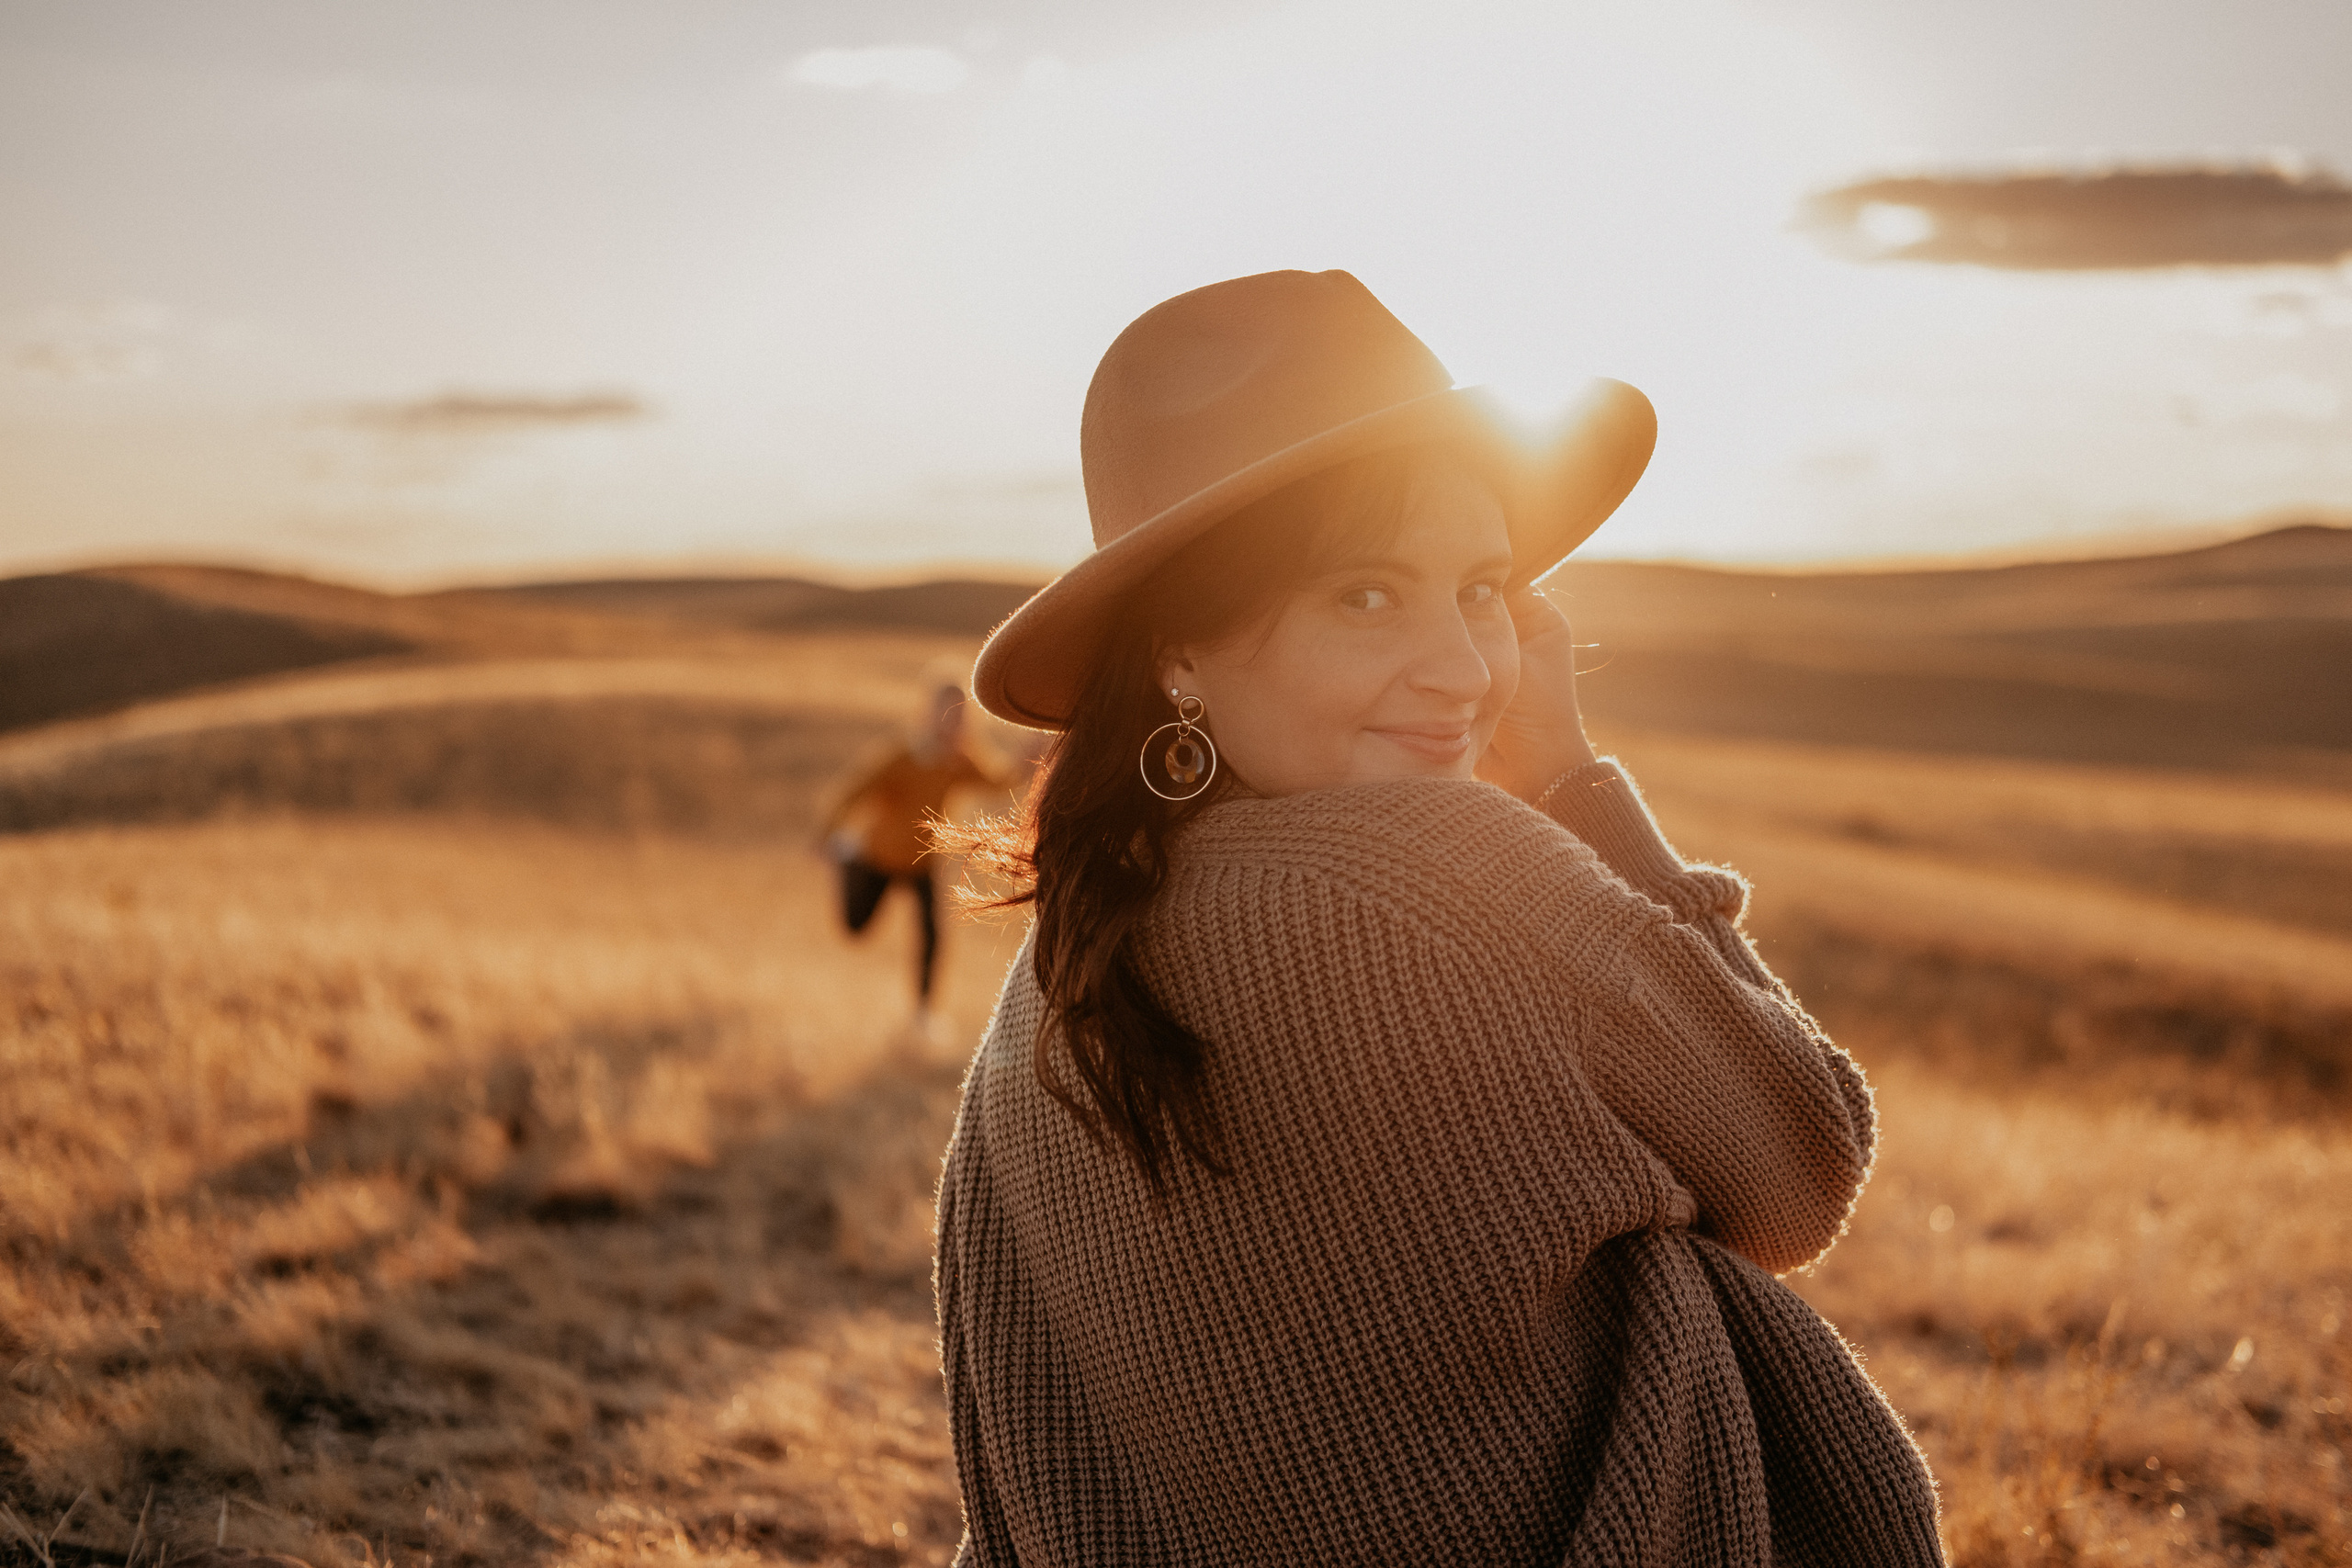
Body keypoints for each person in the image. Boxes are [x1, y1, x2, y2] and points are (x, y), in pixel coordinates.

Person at [934, 271, 1945, 1566]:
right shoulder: (1452, 869)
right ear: (1179, 647)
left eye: (1482, 589)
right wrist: (1572, 783)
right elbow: (1802, 1162)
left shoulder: (1061, 972)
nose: (1466, 671)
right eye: (1365, 595)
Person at [820, 675, 1008, 1021]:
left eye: (960, 715)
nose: (954, 722)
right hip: (880, 856)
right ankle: (846, 861)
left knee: (932, 936)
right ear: (930, 713)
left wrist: (1030, 759)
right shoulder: (902, 756)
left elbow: (996, 781)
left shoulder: (959, 760)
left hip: (923, 861)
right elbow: (855, 789)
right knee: (856, 927)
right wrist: (828, 834)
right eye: (948, 713)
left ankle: (924, 1013)